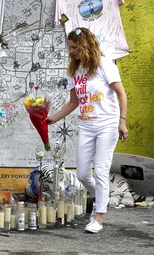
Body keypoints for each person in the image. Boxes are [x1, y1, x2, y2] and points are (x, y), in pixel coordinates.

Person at [47, 27, 128, 234]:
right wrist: (54, 118)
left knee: (101, 170)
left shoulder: (103, 64)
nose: (71, 51)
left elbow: (121, 94)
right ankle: (103, 197)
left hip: (107, 125)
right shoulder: (75, 71)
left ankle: (98, 217)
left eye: (74, 47)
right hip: (86, 125)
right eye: (70, 47)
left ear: (85, 45)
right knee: (83, 173)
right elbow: (74, 101)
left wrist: (122, 122)